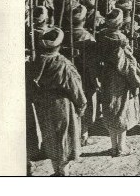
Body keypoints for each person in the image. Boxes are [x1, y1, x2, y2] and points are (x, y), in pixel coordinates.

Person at [27, 27, 86, 176]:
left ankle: (56, 170)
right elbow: (75, 87)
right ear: (59, 45)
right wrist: (81, 104)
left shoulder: (37, 62)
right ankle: (63, 172)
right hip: (62, 104)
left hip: (44, 103)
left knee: (50, 135)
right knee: (64, 136)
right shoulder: (63, 64)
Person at [97, 9, 140, 157]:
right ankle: (121, 146)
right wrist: (135, 79)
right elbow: (125, 64)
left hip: (106, 75)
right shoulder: (121, 41)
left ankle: (113, 146)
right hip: (120, 79)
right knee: (121, 109)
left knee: (110, 108)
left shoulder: (103, 36)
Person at [70, 5, 99, 146]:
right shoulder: (87, 36)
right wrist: (95, 79)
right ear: (84, 20)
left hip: (71, 76)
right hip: (85, 76)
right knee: (86, 104)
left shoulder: (66, 35)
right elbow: (92, 62)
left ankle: (75, 134)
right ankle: (83, 136)